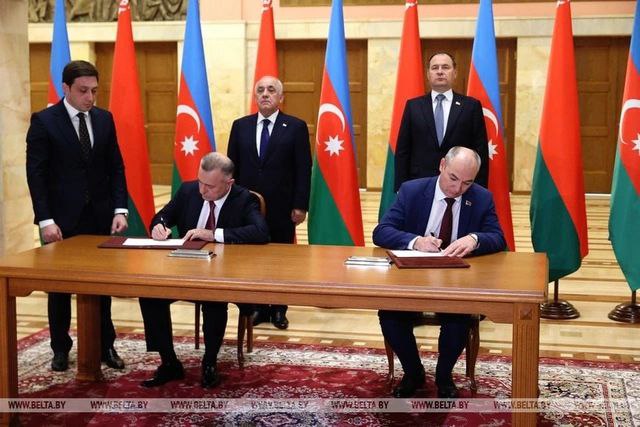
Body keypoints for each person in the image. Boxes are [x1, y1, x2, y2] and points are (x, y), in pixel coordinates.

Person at [373, 146, 505, 398]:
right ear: (442, 165)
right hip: (411, 279)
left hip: (457, 280)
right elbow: (381, 232)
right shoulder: (412, 190)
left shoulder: (481, 197)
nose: (457, 189)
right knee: (389, 314)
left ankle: (444, 376)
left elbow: (498, 237)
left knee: (458, 317)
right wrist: (415, 241)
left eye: (467, 183)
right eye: (453, 178)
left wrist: (475, 239)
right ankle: (414, 372)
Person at [26, 60, 128, 372]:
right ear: (66, 88)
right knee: (59, 289)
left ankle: (104, 345)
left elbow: (116, 168)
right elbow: (36, 175)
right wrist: (45, 220)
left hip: (99, 218)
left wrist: (120, 209)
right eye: (83, 91)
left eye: (95, 91)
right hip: (60, 221)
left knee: (102, 286)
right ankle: (60, 348)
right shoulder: (44, 121)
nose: (90, 97)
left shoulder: (104, 119)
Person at [139, 152, 269, 389]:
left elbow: (260, 232)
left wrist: (213, 234)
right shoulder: (189, 191)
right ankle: (169, 363)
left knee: (213, 299)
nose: (202, 190)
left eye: (209, 186)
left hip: (224, 275)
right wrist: (158, 226)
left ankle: (209, 362)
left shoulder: (243, 199)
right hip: (184, 270)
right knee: (149, 295)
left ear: (228, 183)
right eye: (200, 181)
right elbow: (163, 216)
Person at [227, 75, 311, 330]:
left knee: (280, 260)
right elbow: (232, 168)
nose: (265, 94)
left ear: (280, 97)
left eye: (271, 90)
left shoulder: (295, 127)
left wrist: (300, 205)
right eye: (260, 90)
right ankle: (258, 308)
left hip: (282, 207)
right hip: (247, 206)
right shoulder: (240, 126)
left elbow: (303, 169)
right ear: (255, 97)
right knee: (253, 259)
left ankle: (279, 310)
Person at [394, 52, 489, 192]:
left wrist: (479, 188)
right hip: (419, 182)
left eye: (445, 67)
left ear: (455, 73)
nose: (440, 72)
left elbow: (480, 150)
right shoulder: (413, 106)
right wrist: (401, 186)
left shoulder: (471, 106)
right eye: (435, 67)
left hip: (459, 185)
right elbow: (403, 150)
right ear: (428, 74)